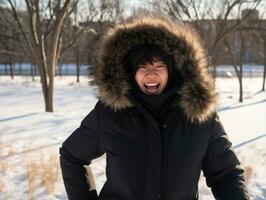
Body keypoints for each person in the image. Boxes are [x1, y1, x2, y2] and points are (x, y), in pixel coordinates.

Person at [59, 14, 250, 200]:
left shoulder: (199, 116)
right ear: (130, 72)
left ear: (172, 69)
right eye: (142, 67)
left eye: (159, 67)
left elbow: (225, 174)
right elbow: (72, 155)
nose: (151, 75)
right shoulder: (110, 113)